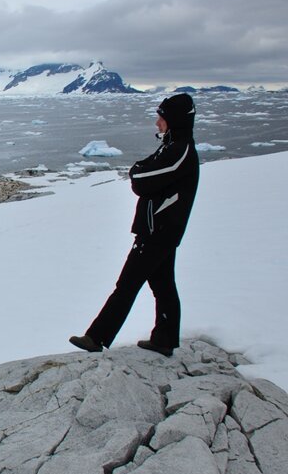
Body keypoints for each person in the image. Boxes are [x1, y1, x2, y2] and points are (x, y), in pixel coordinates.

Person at [69, 93, 200, 357]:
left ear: (173, 120)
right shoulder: (173, 146)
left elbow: (142, 178)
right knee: (163, 285)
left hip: (158, 231)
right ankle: (164, 339)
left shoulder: (178, 150)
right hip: (160, 229)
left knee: (127, 285)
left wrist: (136, 171)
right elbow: (146, 172)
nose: (156, 123)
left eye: (161, 118)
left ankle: (97, 337)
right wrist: (140, 170)